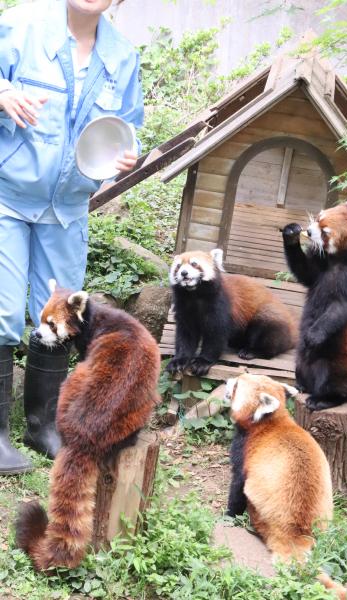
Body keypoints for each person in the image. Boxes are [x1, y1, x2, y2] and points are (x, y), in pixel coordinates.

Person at [0, 0, 144, 474]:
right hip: (7, 194)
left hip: (67, 207)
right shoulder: (19, 25)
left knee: (66, 313)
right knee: (1, 309)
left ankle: (45, 426)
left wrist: (128, 154)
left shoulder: (121, 55)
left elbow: (130, 126)